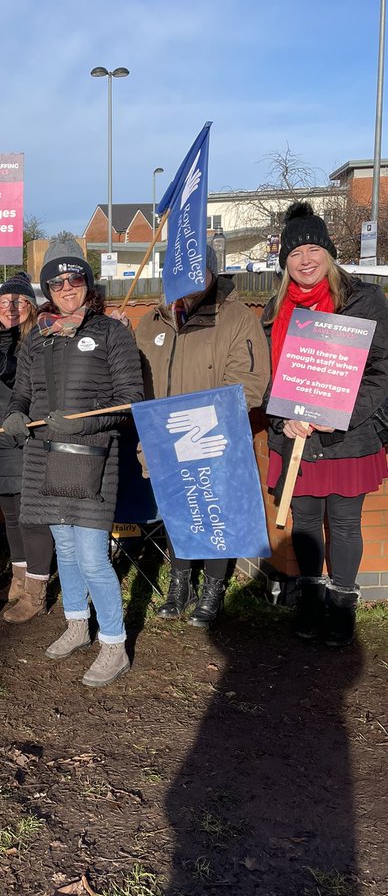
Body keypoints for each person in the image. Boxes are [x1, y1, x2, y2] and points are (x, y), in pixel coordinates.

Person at [2, 238, 144, 687]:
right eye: (57, 281)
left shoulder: (111, 333)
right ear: (47, 288)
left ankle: (114, 644)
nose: (67, 287)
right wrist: (15, 416)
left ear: (88, 283)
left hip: (92, 457)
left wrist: (82, 425)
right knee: (64, 548)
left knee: (91, 556)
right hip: (44, 455)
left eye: (75, 278)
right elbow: (22, 393)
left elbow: (130, 401)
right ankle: (78, 626)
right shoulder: (38, 336)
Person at [264, 201, 388, 646]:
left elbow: (382, 371)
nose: (306, 259)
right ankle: (312, 599)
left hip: (348, 438)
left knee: (346, 523)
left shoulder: (363, 300)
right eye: (295, 253)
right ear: (285, 263)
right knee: (305, 522)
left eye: (314, 248)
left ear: (329, 252)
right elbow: (271, 379)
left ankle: (341, 606)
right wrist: (282, 418)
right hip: (296, 438)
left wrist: (336, 417)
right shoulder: (275, 312)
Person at [132, 250, 270, 626]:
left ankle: (212, 588)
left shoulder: (238, 319)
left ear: (211, 270)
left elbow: (251, 384)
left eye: (196, 269)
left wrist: (201, 419)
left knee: (213, 513)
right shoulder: (150, 322)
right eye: (177, 270)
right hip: (166, 440)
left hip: (213, 436)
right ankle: (180, 585)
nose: (187, 278)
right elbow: (137, 385)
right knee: (178, 511)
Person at [0, 272, 55, 623]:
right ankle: (19, 580)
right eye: (5, 301)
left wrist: (3, 364)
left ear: (32, 307)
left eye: (21, 301)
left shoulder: (39, 340)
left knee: (32, 517)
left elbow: (34, 384)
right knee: (10, 515)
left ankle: (37, 590)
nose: (12, 307)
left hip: (26, 436)